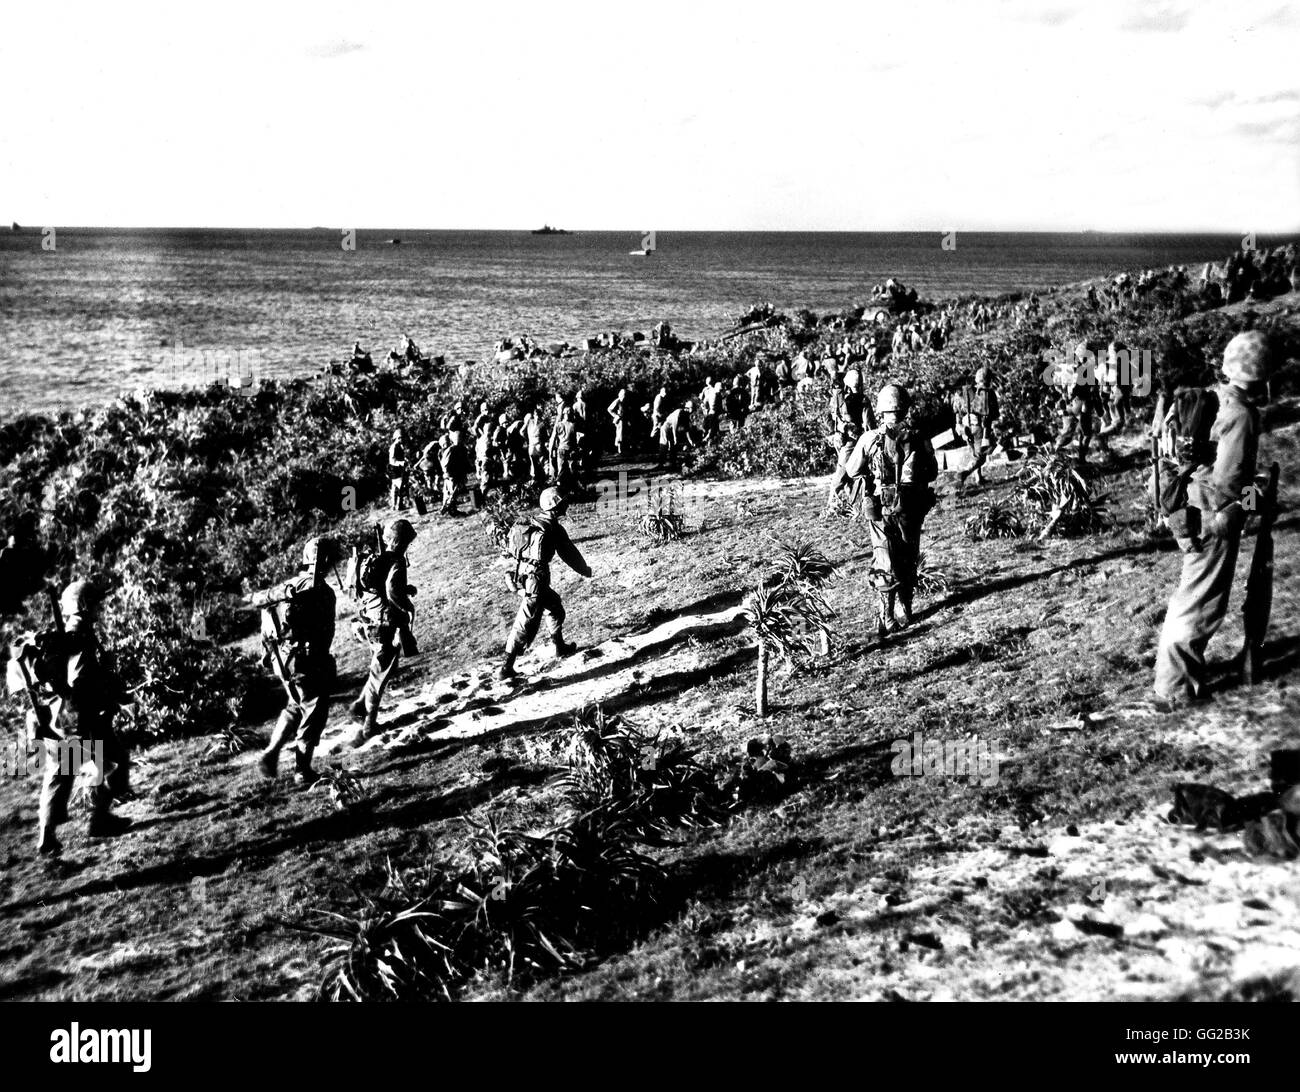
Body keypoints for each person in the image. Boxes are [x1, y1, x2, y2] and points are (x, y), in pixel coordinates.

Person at [1154, 332, 1273, 704]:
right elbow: (1228, 485)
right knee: (1200, 603)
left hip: (1186, 508)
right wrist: (1258, 498)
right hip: (1212, 516)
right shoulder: (1241, 413)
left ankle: (1177, 679)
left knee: (1192, 595)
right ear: (1263, 376)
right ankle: (1175, 690)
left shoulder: (1210, 398)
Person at [21, 580, 131, 856]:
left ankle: (48, 836)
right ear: (85, 606)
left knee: (61, 773)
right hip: (81, 715)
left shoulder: (74, 633)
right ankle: (99, 820)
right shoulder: (79, 633)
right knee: (107, 762)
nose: (101, 608)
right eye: (96, 603)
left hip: (65, 717)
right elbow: (80, 680)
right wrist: (104, 681)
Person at [846, 385, 938, 638]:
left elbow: (852, 470)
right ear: (905, 408)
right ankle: (905, 609)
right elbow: (932, 472)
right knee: (909, 554)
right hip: (911, 507)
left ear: (880, 410)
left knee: (884, 558)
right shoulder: (919, 436)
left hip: (881, 508)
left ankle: (886, 615)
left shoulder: (869, 439)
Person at [253, 536, 339, 784]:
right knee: (314, 709)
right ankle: (303, 770)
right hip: (307, 660)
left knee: (294, 705)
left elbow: (267, 618)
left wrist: (267, 654)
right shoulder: (323, 592)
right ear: (326, 561)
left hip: (282, 658)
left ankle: (271, 752)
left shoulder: (287, 587)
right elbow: (325, 631)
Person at [500, 488, 592, 680]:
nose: (566, 505)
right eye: (563, 502)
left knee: (555, 608)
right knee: (525, 622)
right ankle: (506, 667)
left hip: (525, 576)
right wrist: (584, 570)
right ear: (555, 505)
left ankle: (559, 646)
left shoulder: (531, 522)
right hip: (537, 580)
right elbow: (569, 554)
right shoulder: (553, 528)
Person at [349, 519, 418, 739]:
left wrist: (405, 588)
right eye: (406, 541)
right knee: (381, 672)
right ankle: (369, 723)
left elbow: (380, 587)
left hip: (370, 621)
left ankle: (360, 705)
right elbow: (391, 589)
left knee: (381, 666)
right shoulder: (396, 560)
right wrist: (407, 605)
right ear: (400, 542)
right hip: (385, 623)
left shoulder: (377, 560)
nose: (407, 545)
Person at [951, 368, 1000, 490]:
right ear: (989, 379)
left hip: (965, 427)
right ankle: (963, 473)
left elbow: (957, 411)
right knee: (980, 456)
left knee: (974, 452)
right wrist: (986, 435)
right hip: (979, 428)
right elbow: (992, 415)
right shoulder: (988, 393)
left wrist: (959, 426)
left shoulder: (965, 393)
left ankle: (978, 478)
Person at [825, 371, 866, 510]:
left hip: (843, 438)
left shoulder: (838, 398)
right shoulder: (857, 400)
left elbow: (829, 417)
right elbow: (868, 423)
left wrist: (835, 431)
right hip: (852, 439)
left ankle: (851, 501)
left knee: (847, 469)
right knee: (844, 471)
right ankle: (832, 504)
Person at [658, 401, 695, 469]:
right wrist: (675, 437)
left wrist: (690, 440)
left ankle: (673, 463)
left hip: (672, 430)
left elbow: (687, 429)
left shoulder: (686, 415)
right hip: (666, 428)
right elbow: (675, 425)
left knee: (673, 446)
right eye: (692, 408)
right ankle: (661, 464)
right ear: (688, 408)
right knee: (664, 444)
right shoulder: (679, 412)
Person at [387, 427, 409, 509]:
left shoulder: (400, 446)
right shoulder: (394, 447)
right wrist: (401, 463)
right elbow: (392, 460)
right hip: (394, 469)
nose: (402, 439)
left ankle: (396, 505)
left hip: (398, 469)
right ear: (398, 438)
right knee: (401, 486)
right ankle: (398, 505)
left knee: (396, 488)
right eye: (401, 438)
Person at [608, 388, 632, 456]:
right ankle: (619, 449)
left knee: (625, 433)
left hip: (625, 419)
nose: (624, 396)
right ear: (620, 395)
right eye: (623, 395)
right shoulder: (617, 401)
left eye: (625, 395)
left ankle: (624, 448)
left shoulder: (625, 401)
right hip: (619, 420)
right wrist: (616, 416)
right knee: (619, 434)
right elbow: (609, 409)